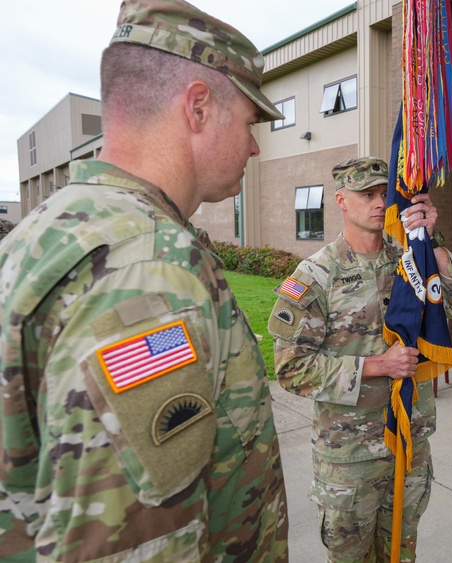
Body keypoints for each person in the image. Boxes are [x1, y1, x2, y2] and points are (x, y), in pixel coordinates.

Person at [0, 1, 289, 559]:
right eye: (251, 122)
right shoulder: (147, 268)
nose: (255, 146)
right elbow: (138, 543)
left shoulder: (42, 235)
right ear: (199, 107)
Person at [268, 156, 452, 562]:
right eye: (367, 194)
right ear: (341, 201)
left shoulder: (410, 259)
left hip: (409, 440)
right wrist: (376, 366)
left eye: (385, 193)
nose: (380, 202)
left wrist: (431, 241)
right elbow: (291, 368)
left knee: (401, 553)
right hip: (351, 456)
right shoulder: (316, 275)